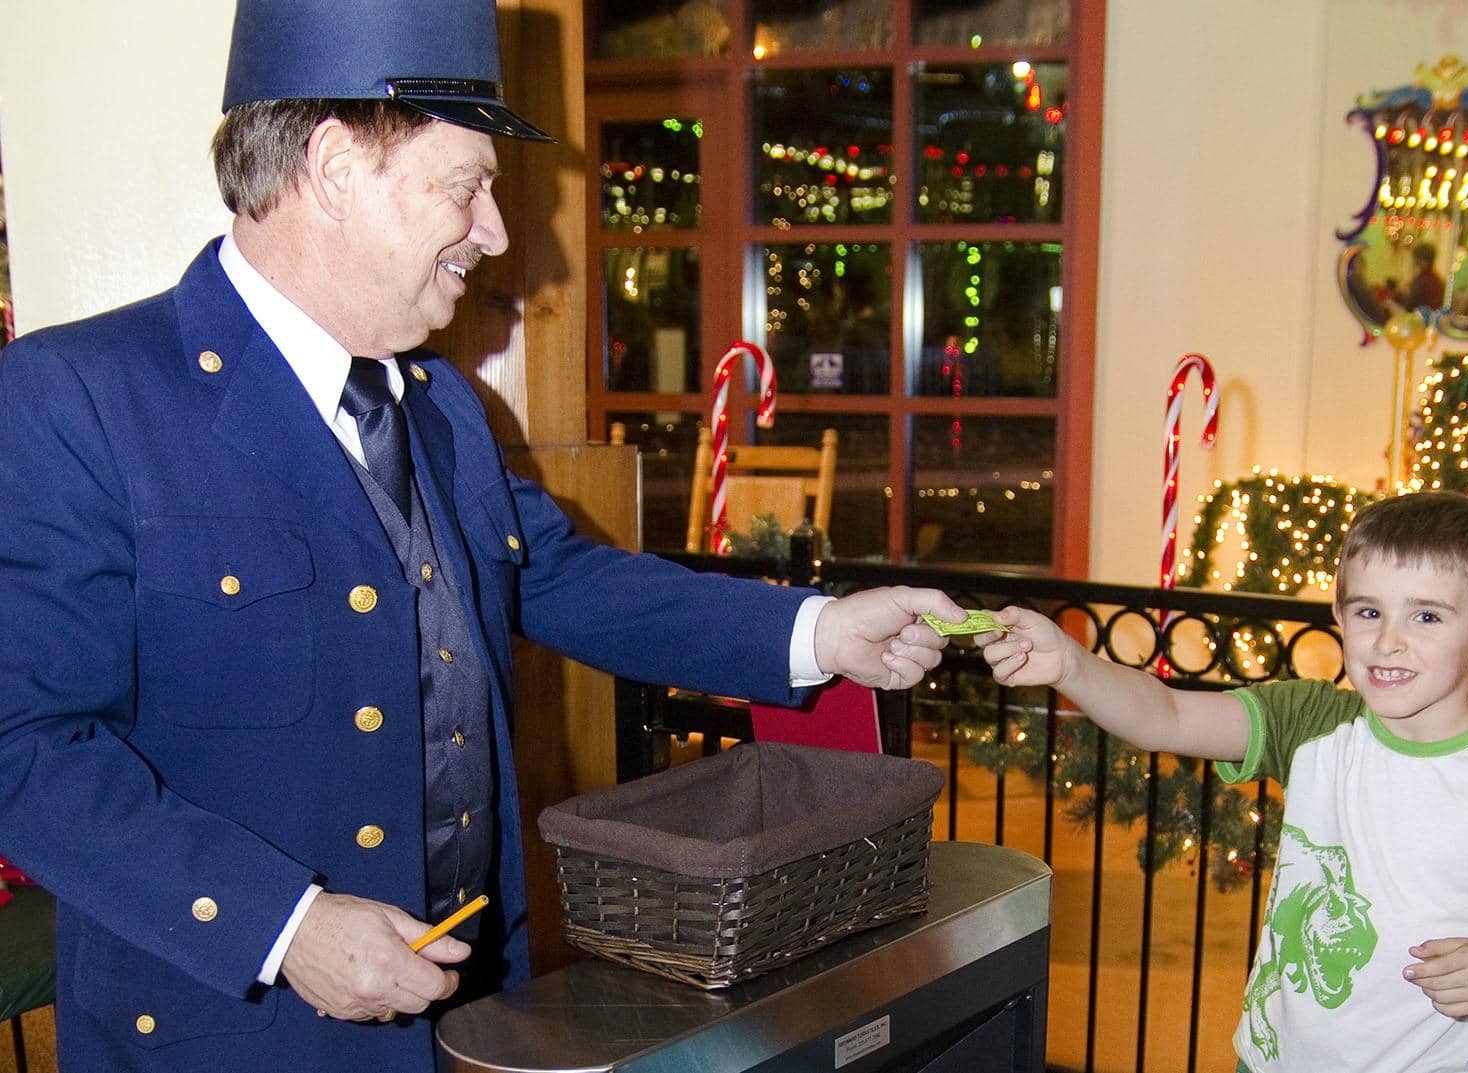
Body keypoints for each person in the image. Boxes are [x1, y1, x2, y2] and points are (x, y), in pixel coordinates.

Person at [0, 3, 967, 1071]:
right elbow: (23, 747)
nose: (497, 233)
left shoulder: (438, 404)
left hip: (467, 1020)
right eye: (466, 186)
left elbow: (555, 576)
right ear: (331, 168)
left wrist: (820, 632)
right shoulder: (78, 399)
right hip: (233, 1033)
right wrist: (282, 923)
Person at [978, 491, 1468, 1073]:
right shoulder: (1310, 722)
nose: (1388, 641)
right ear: (1340, 616)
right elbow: (1166, 715)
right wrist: (1072, 666)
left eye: (1428, 616)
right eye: (1369, 611)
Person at [1405, 241, 1447, 312]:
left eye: (1416, 259)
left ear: (1421, 260)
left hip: (1419, 319)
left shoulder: (1421, 280)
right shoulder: (1439, 280)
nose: (1414, 262)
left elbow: (1409, 306)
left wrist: (1406, 293)